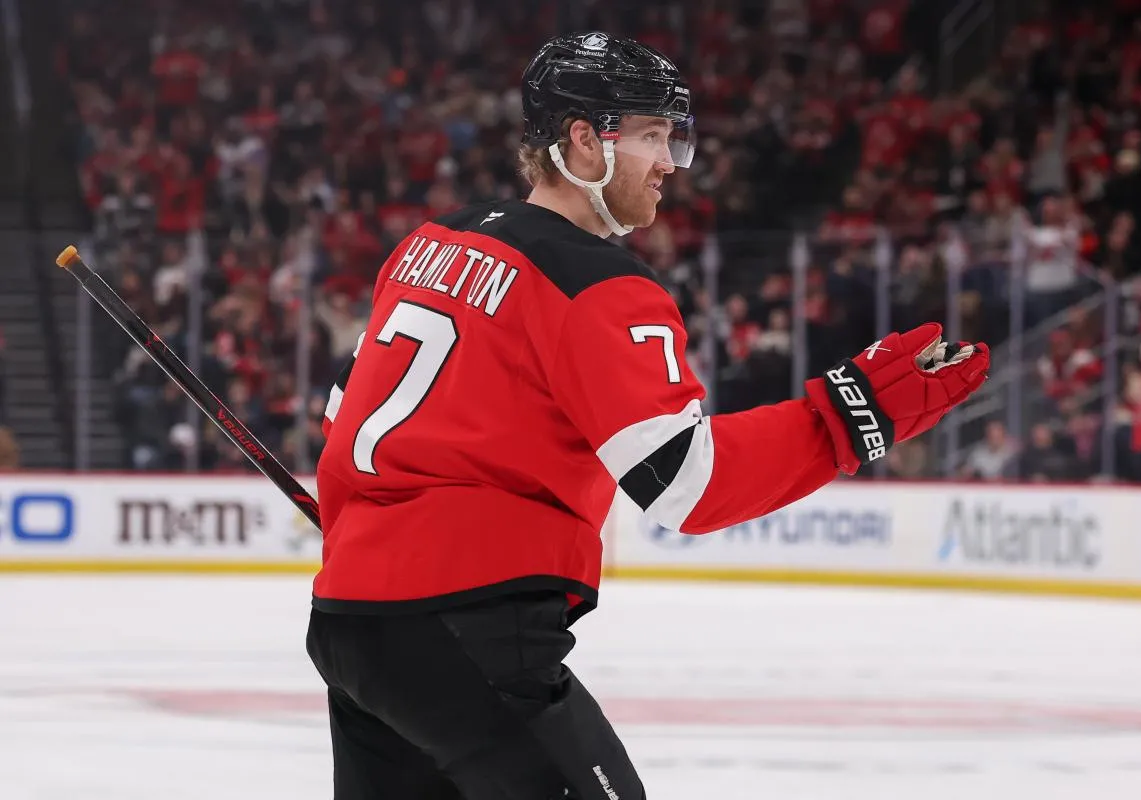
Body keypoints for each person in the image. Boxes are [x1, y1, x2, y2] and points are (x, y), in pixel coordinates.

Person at [305, 32, 991, 800]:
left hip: (348, 626)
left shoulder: (430, 244)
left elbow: (342, 411)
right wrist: (850, 413)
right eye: (652, 136)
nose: (672, 162)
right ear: (581, 143)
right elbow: (686, 486)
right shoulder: (598, 286)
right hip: (469, 635)